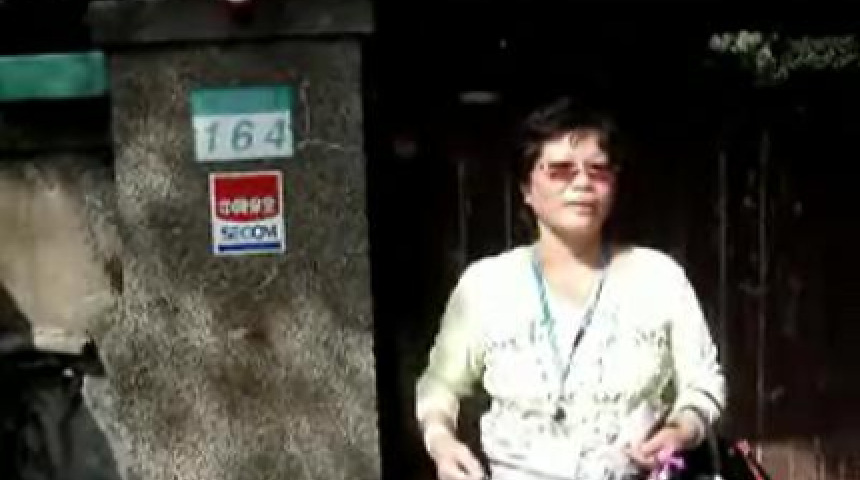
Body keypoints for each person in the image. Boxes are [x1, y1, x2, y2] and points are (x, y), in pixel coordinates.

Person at [414, 96, 726, 480]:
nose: (582, 183)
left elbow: (704, 383)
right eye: (560, 170)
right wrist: (441, 442)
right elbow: (440, 383)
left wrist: (681, 429)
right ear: (526, 188)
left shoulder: (659, 278)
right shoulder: (486, 286)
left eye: (598, 170)